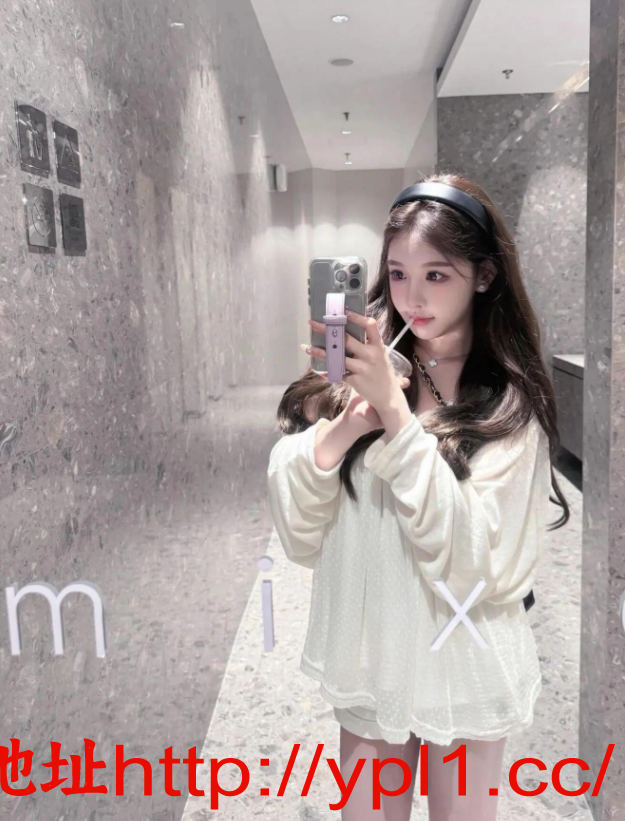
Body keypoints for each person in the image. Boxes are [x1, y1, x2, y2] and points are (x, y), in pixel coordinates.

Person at [266, 171, 570, 821]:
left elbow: (475, 561)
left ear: (483, 276)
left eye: (436, 274)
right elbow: (299, 531)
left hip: (463, 657)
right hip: (372, 650)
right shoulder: (364, 372)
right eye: (398, 274)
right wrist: (350, 424)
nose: (412, 297)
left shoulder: (507, 403)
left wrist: (399, 423)